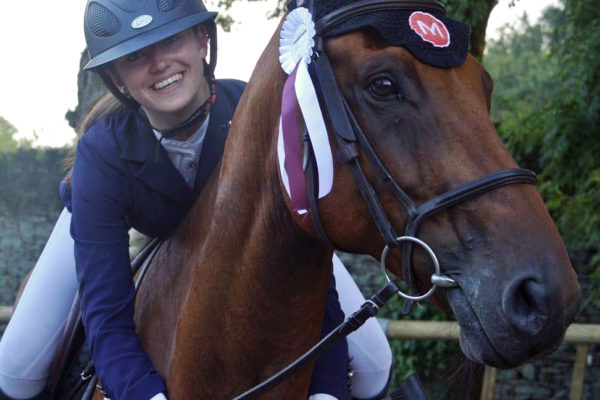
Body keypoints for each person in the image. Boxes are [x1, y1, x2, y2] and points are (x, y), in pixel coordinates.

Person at [0, 1, 392, 400]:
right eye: (135, 56)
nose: (159, 63)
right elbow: (107, 315)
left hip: (253, 234)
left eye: (171, 39)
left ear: (202, 40)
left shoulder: (261, 115)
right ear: (116, 78)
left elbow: (306, 273)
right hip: (120, 225)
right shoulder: (101, 151)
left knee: (375, 365)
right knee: (16, 364)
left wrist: (325, 393)